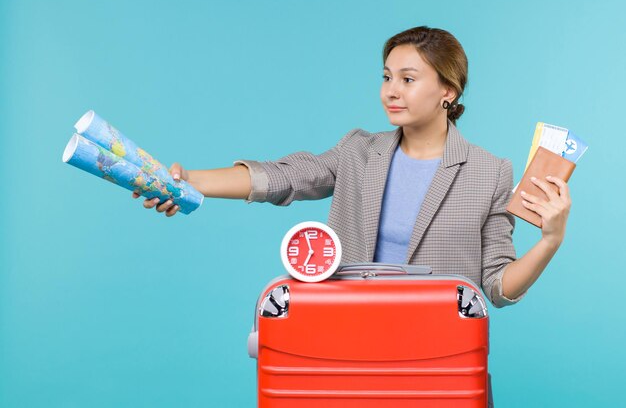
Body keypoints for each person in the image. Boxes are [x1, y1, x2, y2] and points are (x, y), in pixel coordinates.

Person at [132, 26, 571, 309]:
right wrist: (190, 182)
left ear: (448, 92)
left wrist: (550, 239)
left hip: (438, 352)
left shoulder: (489, 172)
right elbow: (284, 176)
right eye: (386, 77)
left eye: (408, 79)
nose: (390, 91)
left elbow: (497, 287)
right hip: (351, 336)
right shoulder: (358, 150)